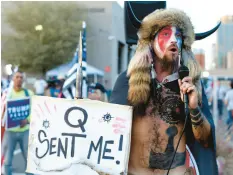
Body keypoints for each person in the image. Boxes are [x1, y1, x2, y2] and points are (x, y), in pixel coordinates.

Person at [110, 7, 218, 175]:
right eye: (166, 34)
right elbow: (109, 130)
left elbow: (205, 141)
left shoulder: (191, 84)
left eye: (179, 36)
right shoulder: (128, 81)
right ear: (150, 42)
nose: (174, 40)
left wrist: (194, 108)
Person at [2, 71, 34, 175]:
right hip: (10, 132)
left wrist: (27, 120)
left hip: (25, 131)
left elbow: (36, 110)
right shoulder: (7, 94)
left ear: (23, 80)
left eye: (21, 77)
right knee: (7, 160)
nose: (19, 79)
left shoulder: (29, 94)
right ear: (13, 79)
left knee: (29, 159)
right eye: (17, 77)